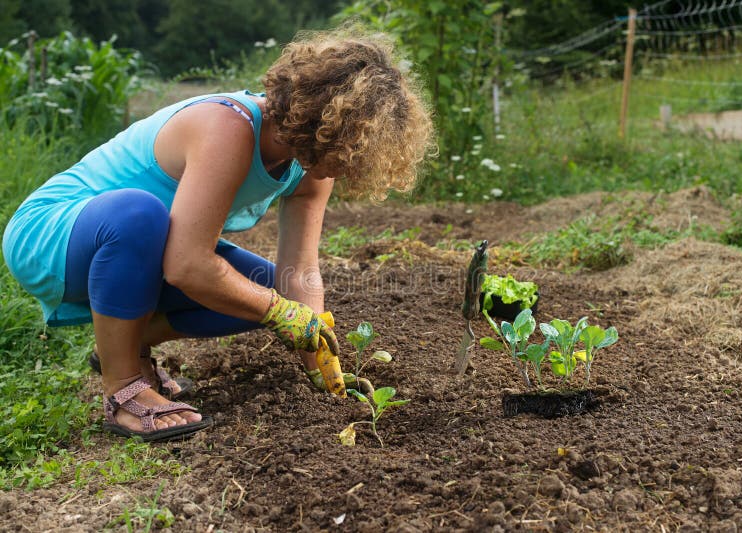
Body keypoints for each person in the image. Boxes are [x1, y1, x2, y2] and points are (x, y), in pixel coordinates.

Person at [1, 30, 434, 442]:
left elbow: (299, 273)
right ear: (329, 126)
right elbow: (187, 265)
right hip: (53, 236)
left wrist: (319, 355)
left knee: (269, 289)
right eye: (358, 149)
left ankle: (127, 344)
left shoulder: (309, 167)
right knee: (140, 213)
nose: (353, 165)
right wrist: (278, 312)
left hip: (134, 253)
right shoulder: (228, 128)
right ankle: (123, 388)